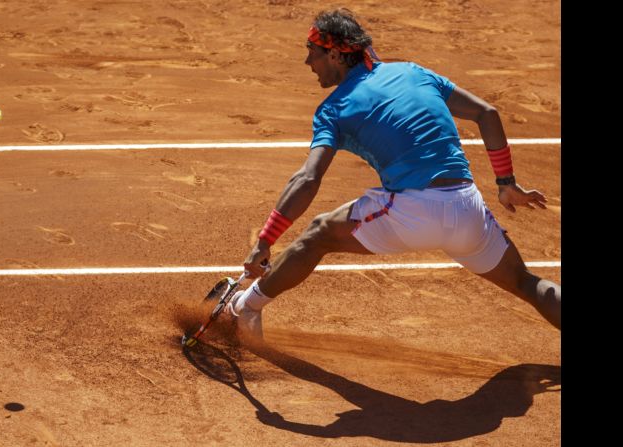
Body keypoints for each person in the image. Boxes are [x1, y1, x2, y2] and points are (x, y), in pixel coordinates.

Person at [226, 8, 561, 344]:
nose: (307, 63)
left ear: (334, 54)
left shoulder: (333, 109)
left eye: (311, 52)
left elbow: (308, 179)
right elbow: (486, 113)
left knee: (319, 234)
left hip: (414, 211)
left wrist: (265, 242)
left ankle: (246, 307)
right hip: (468, 210)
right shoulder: (414, 72)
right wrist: (506, 184)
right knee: (525, 282)